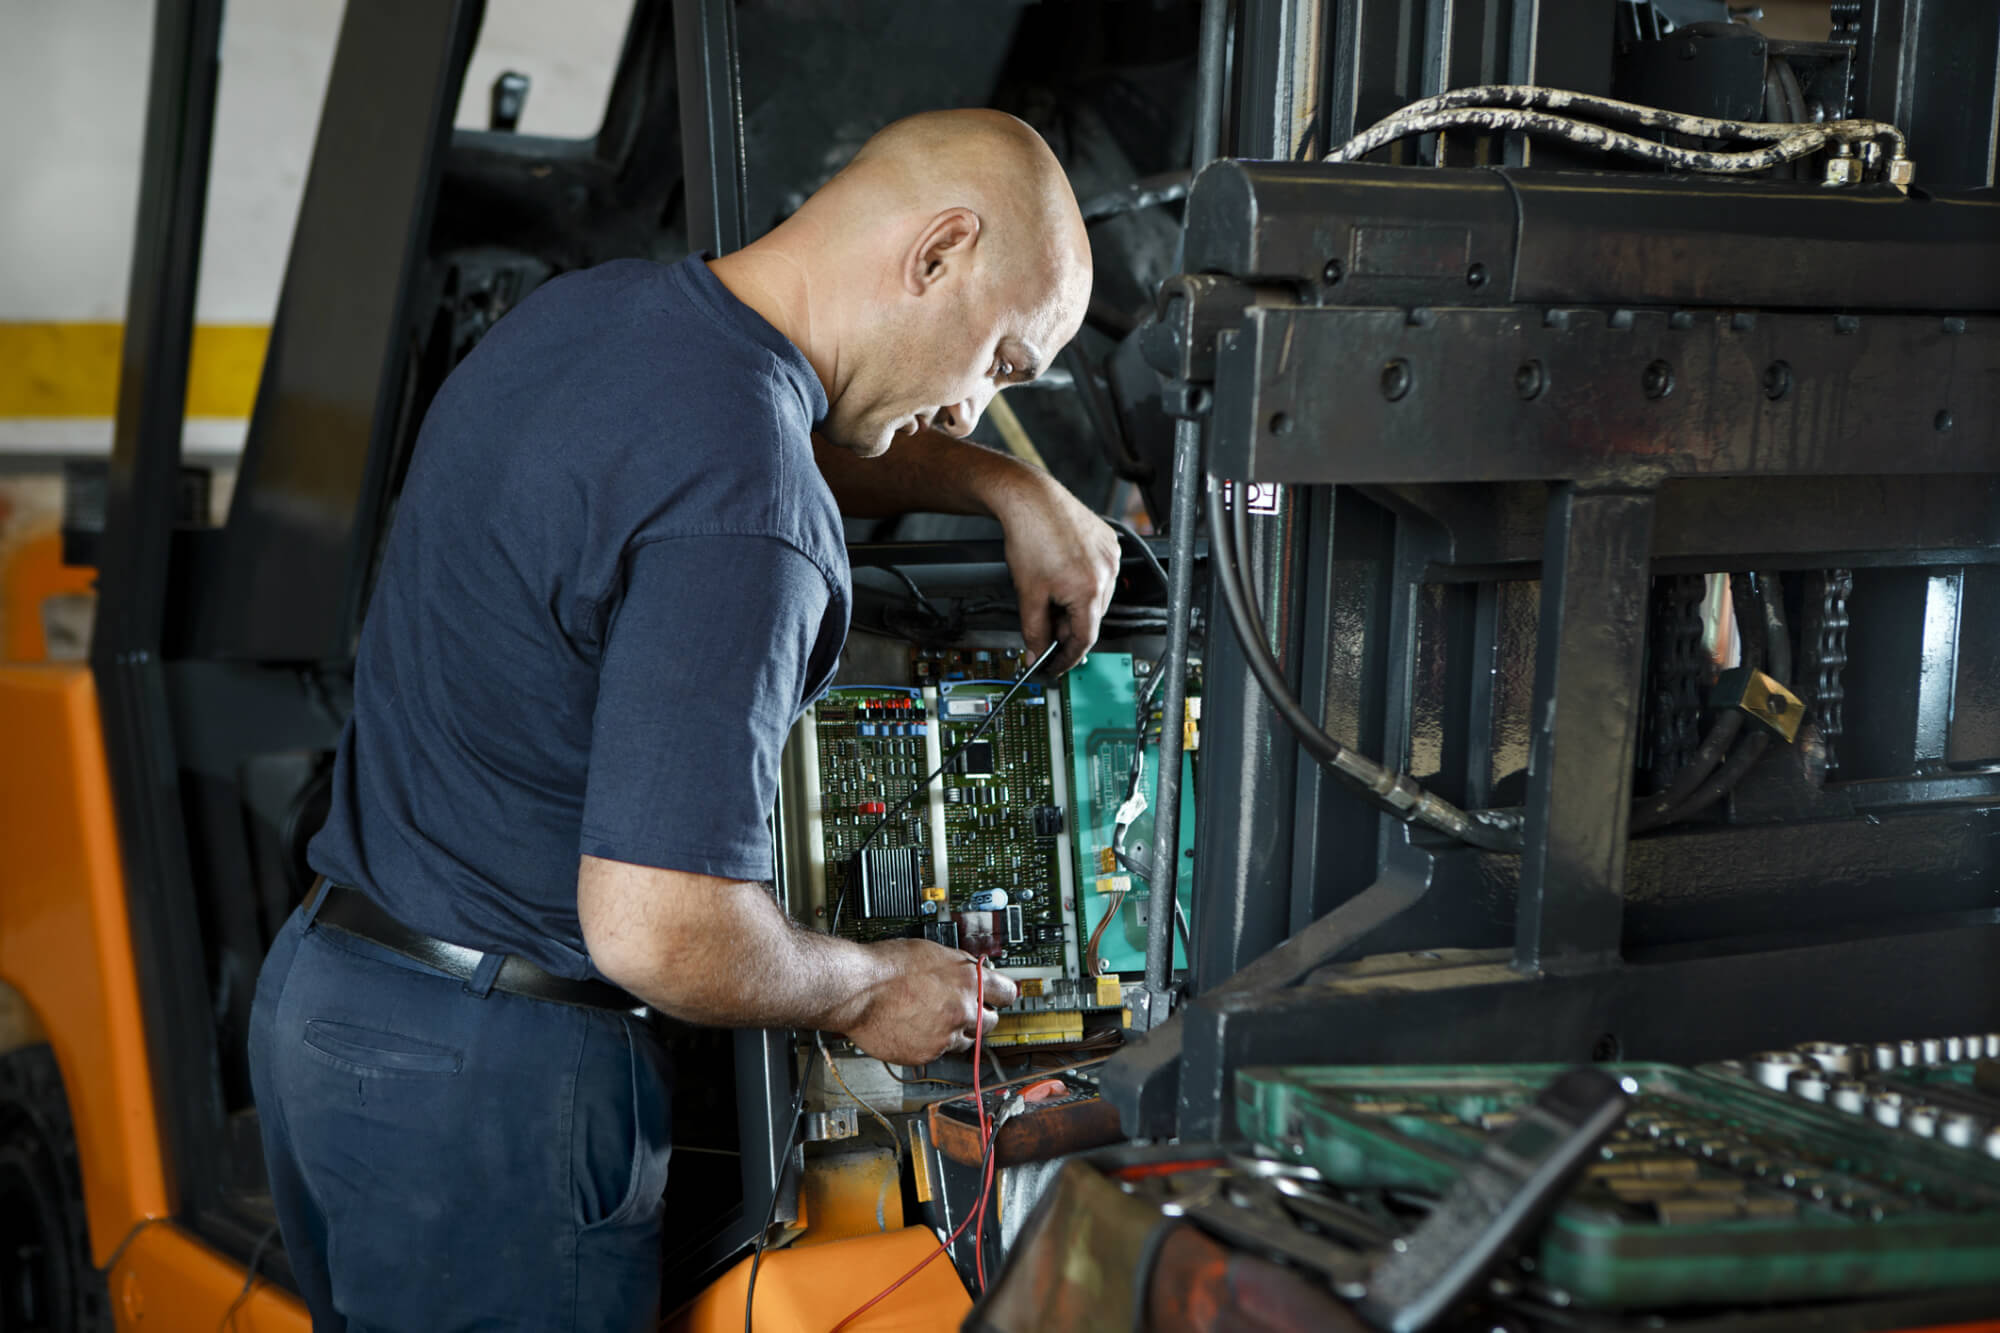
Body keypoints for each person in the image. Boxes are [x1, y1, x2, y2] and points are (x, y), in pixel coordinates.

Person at [246, 108, 1115, 1331]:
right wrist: (865, 989)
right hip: (498, 1090)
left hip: (331, 1007)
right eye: (1002, 363)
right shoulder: (749, 513)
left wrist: (1009, 487)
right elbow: (659, 927)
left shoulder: (598, 318)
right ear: (937, 255)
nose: (975, 409)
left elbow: (778, 432)